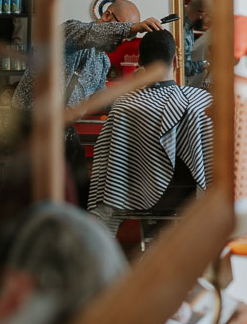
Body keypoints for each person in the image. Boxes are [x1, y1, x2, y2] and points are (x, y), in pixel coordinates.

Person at [12, 0, 163, 206]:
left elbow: (100, 99)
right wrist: (132, 28)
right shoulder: (69, 32)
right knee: (29, 201)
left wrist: (134, 95)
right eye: (121, 28)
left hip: (62, 131)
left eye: (128, 35)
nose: (123, 39)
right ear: (107, 16)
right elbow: (87, 34)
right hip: (28, 127)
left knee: (81, 195)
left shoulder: (102, 62)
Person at [87, 30, 214, 235]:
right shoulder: (201, 101)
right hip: (189, 198)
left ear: (140, 62)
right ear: (175, 61)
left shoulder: (124, 105)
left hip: (134, 197)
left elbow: (109, 167)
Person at [183, 0, 214, 87]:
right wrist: (209, 63)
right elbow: (186, 68)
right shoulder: (183, 31)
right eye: (209, 17)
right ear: (202, 14)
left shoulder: (187, 25)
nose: (208, 22)